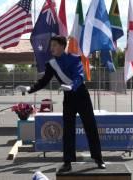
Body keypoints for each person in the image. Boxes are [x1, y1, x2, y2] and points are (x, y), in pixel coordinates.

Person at [17, 36, 105, 172]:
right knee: (68, 130)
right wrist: (29, 89)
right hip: (68, 99)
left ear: (63, 46)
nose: (51, 48)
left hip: (81, 96)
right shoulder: (52, 64)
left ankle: (98, 158)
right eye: (51, 45)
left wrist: (72, 86)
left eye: (54, 45)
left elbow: (79, 76)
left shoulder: (74, 58)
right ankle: (68, 161)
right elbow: (43, 82)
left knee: (90, 127)